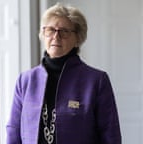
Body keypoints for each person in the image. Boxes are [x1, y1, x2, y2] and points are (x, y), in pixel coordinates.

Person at [6, 3, 121, 144]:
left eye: (64, 31)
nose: (56, 36)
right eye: (50, 30)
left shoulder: (96, 81)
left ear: (78, 38)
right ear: (43, 34)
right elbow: (13, 131)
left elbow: (110, 135)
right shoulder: (25, 81)